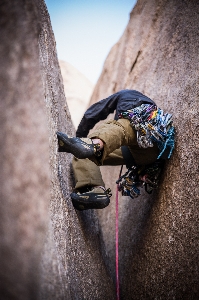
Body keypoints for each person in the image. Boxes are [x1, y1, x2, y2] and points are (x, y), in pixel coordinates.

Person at [57, 89, 175, 211]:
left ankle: (93, 144)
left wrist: (79, 137)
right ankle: (97, 191)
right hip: (147, 156)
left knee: (117, 126)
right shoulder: (143, 101)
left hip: (146, 130)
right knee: (83, 155)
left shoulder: (125, 95)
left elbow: (92, 113)